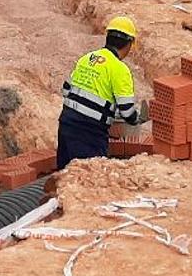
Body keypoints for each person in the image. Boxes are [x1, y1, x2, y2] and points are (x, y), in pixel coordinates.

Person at [57, 16, 148, 169]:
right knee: (91, 181)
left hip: (66, 123)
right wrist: (139, 118)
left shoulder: (87, 58)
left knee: (65, 179)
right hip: (89, 133)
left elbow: (66, 90)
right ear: (129, 44)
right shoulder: (120, 69)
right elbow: (127, 113)